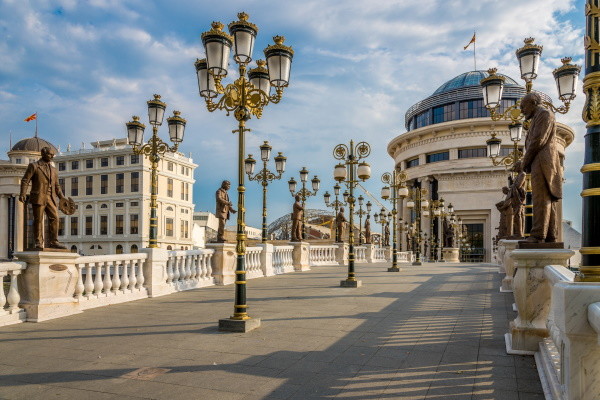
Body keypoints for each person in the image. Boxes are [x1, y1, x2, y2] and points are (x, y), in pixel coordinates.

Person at [514, 92, 562, 243]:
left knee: (540, 197)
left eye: (523, 106)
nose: (521, 110)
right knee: (546, 198)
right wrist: (523, 162)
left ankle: (537, 235)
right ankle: (550, 235)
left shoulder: (545, 114)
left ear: (533, 103)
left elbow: (537, 141)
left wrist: (523, 163)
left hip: (543, 161)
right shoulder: (537, 117)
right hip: (539, 161)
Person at [19, 146, 67, 250]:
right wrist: (22, 193)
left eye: (53, 155)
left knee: (55, 218)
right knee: (38, 220)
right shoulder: (34, 166)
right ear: (43, 154)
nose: (52, 156)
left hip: (51, 197)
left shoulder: (54, 169)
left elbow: (57, 186)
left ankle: (54, 241)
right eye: (50, 154)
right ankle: (38, 242)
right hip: (39, 196)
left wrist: (62, 198)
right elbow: (25, 180)